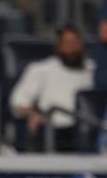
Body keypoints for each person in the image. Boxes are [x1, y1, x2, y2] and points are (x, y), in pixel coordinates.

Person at [9, 24, 94, 152]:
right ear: (58, 47)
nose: (72, 47)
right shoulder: (41, 69)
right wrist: (32, 114)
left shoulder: (92, 69)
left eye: (75, 42)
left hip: (87, 130)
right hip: (52, 131)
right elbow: (18, 101)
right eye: (67, 42)